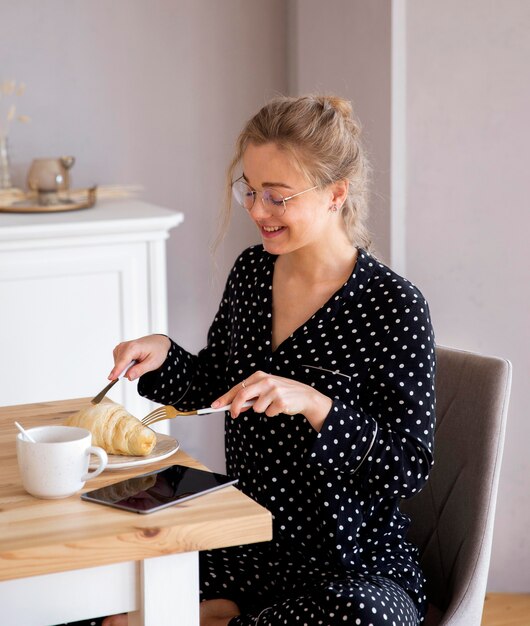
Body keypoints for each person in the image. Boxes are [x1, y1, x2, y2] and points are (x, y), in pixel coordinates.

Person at [103, 94, 436, 626]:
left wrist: (316, 405)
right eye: (251, 191)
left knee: (363, 616)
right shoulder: (253, 272)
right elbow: (217, 384)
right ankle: (225, 615)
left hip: (348, 565)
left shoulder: (392, 306)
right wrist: (165, 357)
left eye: (277, 197)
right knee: (102, 577)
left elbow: (408, 467)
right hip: (244, 543)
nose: (258, 211)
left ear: (336, 194)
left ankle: (217, 619)